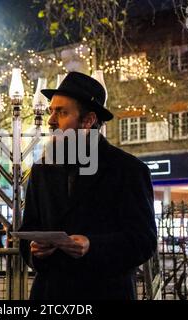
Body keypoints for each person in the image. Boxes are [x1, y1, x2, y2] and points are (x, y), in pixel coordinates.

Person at [19, 71, 158, 300]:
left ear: (88, 120)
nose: (51, 120)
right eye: (51, 111)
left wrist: (93, 246)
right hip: (51, 295)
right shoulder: (42, 169)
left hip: (104, 292)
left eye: (62, 112)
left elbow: (143, 240)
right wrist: (35, 249)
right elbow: (29, 228)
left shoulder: (127, 170)